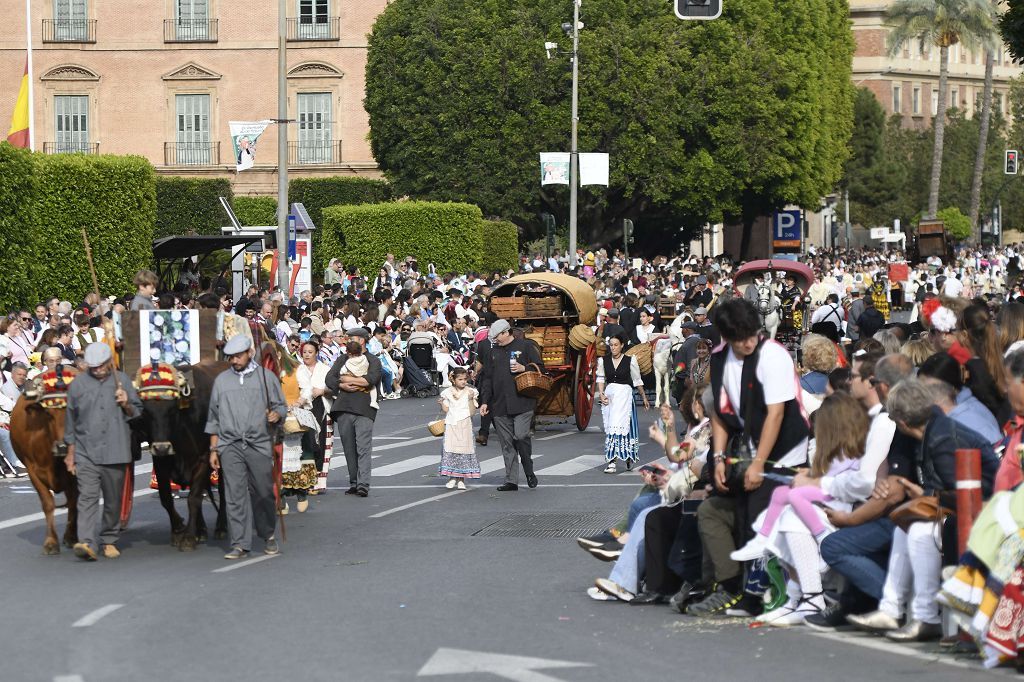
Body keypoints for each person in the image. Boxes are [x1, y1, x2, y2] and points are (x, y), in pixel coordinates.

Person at [206, 334, 287, 560]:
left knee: (263, 492)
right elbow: (213, 417)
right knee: (234, 495)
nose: (234, 360)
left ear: (250, 353)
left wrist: (276, 414)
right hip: (229, 445)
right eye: (231, 357)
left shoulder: (266, 377)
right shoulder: (221, 381)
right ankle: (239, 543)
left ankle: (267, 534)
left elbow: (281, 406)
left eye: (238, 356)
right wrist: (214, 449)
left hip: (258, 443)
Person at [63, 343, 142, 561]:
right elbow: (70, 420)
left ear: (109, 362)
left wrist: (126, 403)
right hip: (86, 451)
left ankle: (109, 539)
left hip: (116, 450)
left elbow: (137, 414)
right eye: (93, 366)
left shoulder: (122, 380)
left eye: (100, 365)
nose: (97, 369)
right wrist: (70, 452)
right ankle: (87, 542)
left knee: (113, 499)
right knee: (87, 497)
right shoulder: (78, 385)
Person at [478, 319, 542, 491]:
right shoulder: (492, 352)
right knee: (507, 444)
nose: (495, 340)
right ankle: (511, 480)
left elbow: (541, 369)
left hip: (523, 402)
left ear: (506, 332)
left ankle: (528, 468)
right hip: (499, 404)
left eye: (497, 336)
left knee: (521, 436)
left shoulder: (526, 346)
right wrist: (485, 402)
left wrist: (524, 368)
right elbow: (487, 379)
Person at [326, 327, 382, 497]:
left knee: (363, 447)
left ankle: (363, 483)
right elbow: (329, 378)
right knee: (349, 448)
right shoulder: (342, 358)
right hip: (344, 408)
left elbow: (371, 380)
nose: (346, 341)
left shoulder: (373, 360)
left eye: (350, 338)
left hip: (365, 408)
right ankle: (354, 482)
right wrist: (341, 385)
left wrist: (345, 378)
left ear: (361, 340)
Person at [597, 332, 649, 474]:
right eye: (611, 345)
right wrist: (601, 393)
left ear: (622, 346)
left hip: (625, 396)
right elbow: (600, 378)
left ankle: (628, 457)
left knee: (626, 427)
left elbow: (637, 380)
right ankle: (612, 461)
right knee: (612, 428)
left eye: (616, 345)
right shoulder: (603, 361)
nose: (613, 347)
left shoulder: (630, 360)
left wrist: (643, 397)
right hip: (611, 397)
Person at [438, 367, 481, 489]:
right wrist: (442, 404)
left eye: (465, 379)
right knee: (451, 450)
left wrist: (470, 399)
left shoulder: (470, 392)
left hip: (465, 424)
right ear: (454, 380)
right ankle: (452, 477)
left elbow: (472, 412)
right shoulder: (447, 392)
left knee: (463, 451)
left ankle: (461, 479)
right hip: (451, 425)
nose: (463, 382)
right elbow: (446, 409)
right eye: (460, 379)